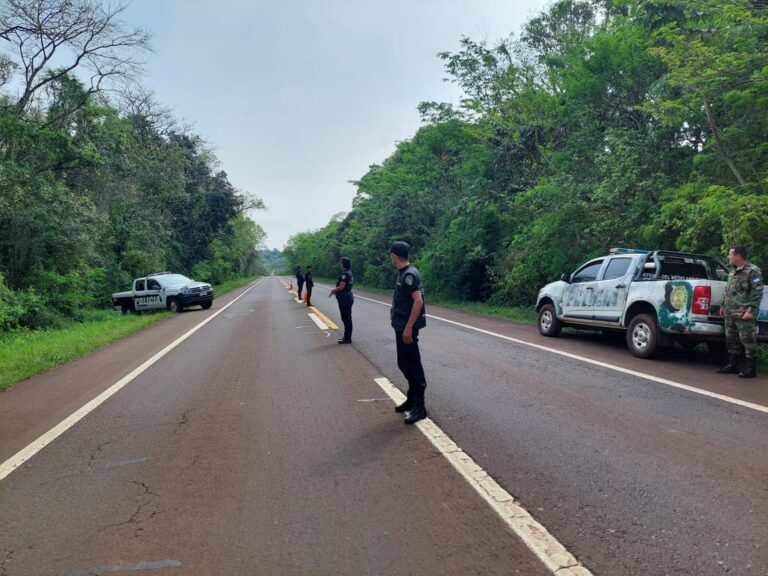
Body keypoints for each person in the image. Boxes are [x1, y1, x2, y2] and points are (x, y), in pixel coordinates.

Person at [388, 241, 428, 424]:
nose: (390, 258)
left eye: (391, 255)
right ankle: (412, 399)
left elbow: (417, 301)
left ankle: (420, 407)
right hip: (402, 327)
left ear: (394, 255)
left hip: (407, 329)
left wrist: (409, 327)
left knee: (412, 365)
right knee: (403, 364)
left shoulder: (409, 275)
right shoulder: (403, 274)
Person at [717, 245, 763, 378]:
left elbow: (757, 293)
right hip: (730, 312)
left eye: (730, 254)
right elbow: (728, 290)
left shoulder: (753, 271)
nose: (728, 256)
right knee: (731, 340)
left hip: (744, 313)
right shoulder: (732, 271)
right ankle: (733, 365)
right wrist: (723, 306)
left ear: (738, 256)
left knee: (748, 340)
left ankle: (750, 369)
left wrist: (751, 310)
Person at [329, 257, 354, 344]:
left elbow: (342, 286)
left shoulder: (345, 274)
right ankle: (347, 337)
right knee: (347, 318)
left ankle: (347, 338)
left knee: (346, 318)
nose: (340, 264)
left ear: (343, 264)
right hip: (348, 297)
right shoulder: (349, 273)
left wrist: (333, 290)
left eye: (341, 263)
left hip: (345, 298)